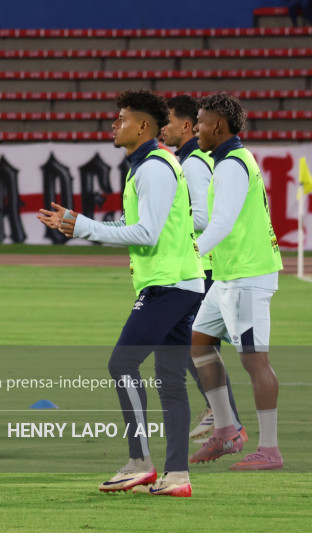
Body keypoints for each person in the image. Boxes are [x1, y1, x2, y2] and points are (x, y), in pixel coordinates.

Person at [40, 90, 204, 497]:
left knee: (122, 363)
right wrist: (82, 223)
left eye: (122, 118)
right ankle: (178, 476)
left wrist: (82, 227)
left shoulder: (152, 167)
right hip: (180, 282)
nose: (114, 124)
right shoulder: (150, 166)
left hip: (168, 284)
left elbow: (146, 233)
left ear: (143, 126)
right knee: (169, 381)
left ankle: (140, 462)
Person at [188, 93, 284, 470]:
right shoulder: (230, 160)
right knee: (198, 342)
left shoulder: (230, 164)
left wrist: (191, 254)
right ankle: (226, 429)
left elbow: (222, 222)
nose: (196, 128)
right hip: (231, 273)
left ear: (218, 126)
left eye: (200, 121)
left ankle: (270, 450)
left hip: (247, 275)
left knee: (254, 360)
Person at [162, 95, 246, 442]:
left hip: (202, 266)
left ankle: (224, 418)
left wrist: (163, 223)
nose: (160, 129)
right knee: (187, 343)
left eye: (166, 122)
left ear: (185, 125)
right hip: (200, 265)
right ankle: (221, 416)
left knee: (189, 343)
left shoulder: (193, 164)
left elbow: (203, 217)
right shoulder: (189, 159)